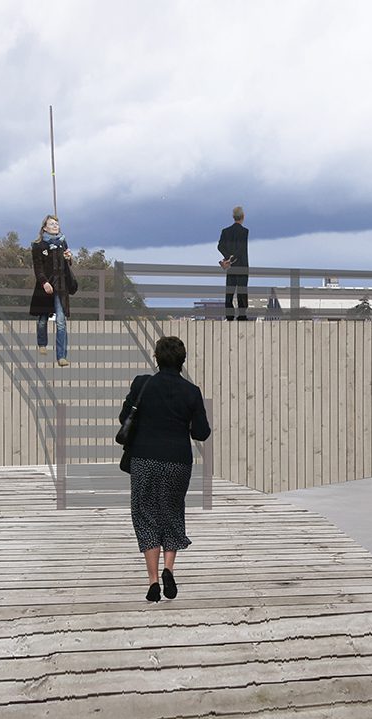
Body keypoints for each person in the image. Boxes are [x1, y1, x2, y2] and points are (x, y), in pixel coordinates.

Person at [119, 336, 211, 602]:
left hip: (144, 458)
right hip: (177, 461)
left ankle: (152, 580)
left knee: (145, 513)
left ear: (156, 358)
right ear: (183, 361)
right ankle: (169, 569)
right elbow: (202, 433)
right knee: (171, 512)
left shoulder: (142, 383)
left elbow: (124, 418)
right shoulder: (191, 391)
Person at [28, 215, 75, 366]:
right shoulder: (38, 245)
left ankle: (62, 356)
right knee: (42, 320)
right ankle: (42, 343)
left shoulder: (62, 242)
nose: (55, 226)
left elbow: (67, 264)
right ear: (44, 228)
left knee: (61, 322)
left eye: (57, 223)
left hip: (61, 287)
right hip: (46, 288)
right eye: (52, 224)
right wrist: (44, 282)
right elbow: (38, 268)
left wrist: (69, 258)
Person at [217, 206, 249, 321]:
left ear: (233, 217)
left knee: (229, 291)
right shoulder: (244, 231)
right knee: (242, 291)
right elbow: (241, 249)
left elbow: (220, 246)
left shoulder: (225, 231)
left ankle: (229, 315)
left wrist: (227, 257)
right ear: (243, 217)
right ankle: (242, 315)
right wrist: (233, 257)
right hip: (242, 266)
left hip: (230, 266)